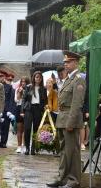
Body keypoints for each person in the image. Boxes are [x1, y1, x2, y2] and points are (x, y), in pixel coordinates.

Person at [47, 51, 86, 188]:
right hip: (63, 118)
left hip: (70, 119)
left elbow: (77, 103)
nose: (65, 64)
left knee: (73, 151)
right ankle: (62, 178)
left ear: (76, 62)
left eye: (68, 62)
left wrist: (71, 122)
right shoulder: (68, 79)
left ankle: (74, 180)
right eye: (65, 62)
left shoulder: (78, 79)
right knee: (64, 151)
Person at [21, 71, 47, 155]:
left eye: (39, 77)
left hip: (38, 109)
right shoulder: (29, 87)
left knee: (36, 129)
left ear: (41, 79)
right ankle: (27, 148)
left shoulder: (43, 89)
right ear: (33, 78)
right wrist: (22, 111)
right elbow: (24, 99)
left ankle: (33, 148)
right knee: (27, 128)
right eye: (36, 77)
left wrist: (44, 109)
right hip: (29, 108)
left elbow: (45, 101)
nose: (38, 79)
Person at [14, 76, 30, 153]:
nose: (23, 83)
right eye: (22, 82)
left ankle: (24, 145)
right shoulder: (18, 89)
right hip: (19, 108)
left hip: (26, 109)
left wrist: (25, 93)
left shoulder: (29, 89)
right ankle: (19, 146)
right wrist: (19, 93)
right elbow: (16, 100)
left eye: (25, 82)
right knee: (19, 128)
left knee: (26, 128)